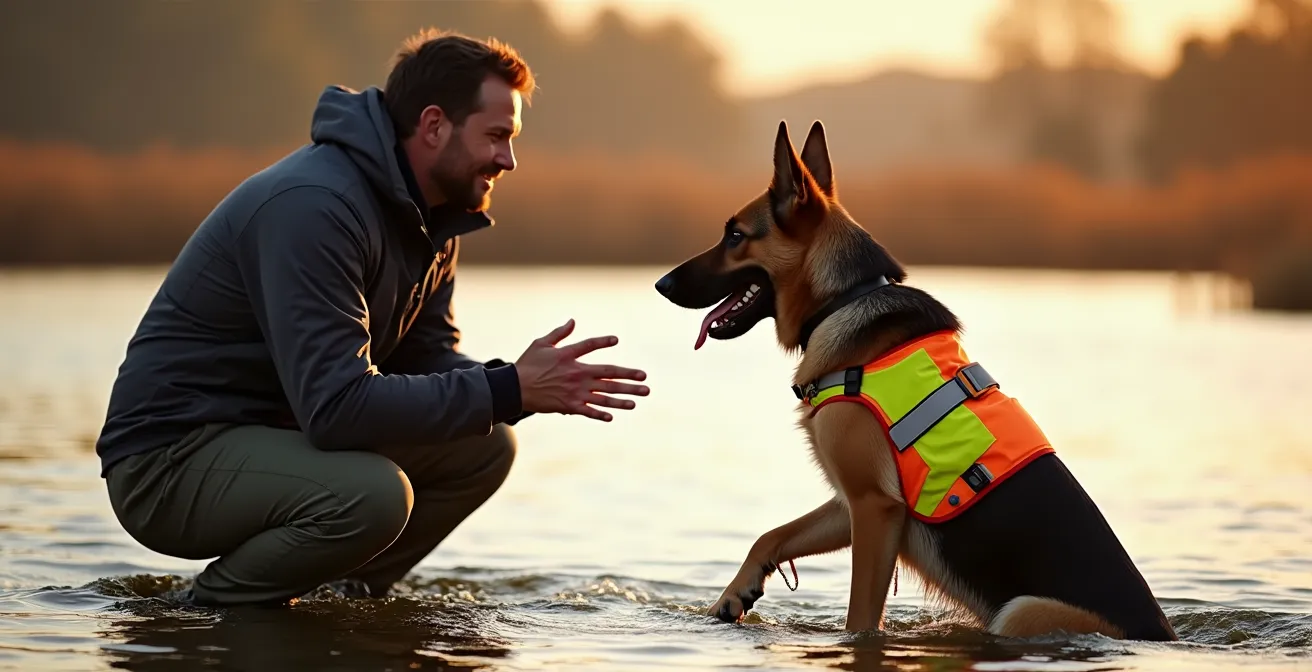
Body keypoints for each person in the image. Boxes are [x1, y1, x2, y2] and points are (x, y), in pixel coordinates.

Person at [94, 28, 650, 607]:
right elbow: (336, 410)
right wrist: (504, 387)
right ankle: (204, 611)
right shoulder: (315, 206)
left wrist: (522, 387)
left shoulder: (433, 215)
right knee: (375, 496)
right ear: (434, 126)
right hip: (168, 460)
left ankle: (336, 595)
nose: (508, 160)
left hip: (274, 433)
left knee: (486, 447)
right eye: (496, 136)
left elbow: (424, 357)